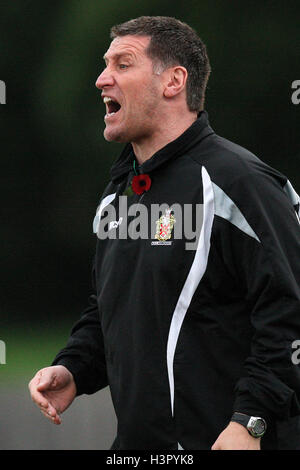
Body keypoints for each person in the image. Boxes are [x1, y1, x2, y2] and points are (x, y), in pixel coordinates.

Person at [28, 16, 300, 450]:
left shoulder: (239, 182)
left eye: (122, 64)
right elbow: (109, 309)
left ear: (173, 81)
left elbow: (288, 313)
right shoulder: (118, 195)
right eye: (105, 64)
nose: (101, 79)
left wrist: (252, 420)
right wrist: (75, 368)